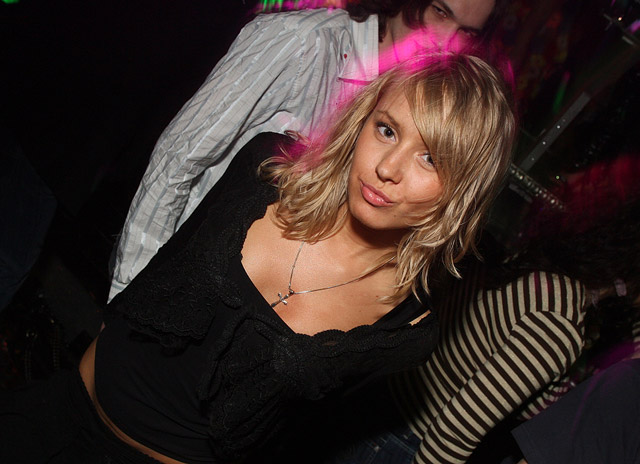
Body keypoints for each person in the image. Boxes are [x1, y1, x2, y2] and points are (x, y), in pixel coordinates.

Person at [0, 53, 515, 463]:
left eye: (431, 158)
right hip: (54, 411)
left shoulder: (405, 330)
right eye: (387, 129)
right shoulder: (265, 168)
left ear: (462, 190)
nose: (388, 168)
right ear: (364, 119)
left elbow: (294, 434)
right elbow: (156, 278)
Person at [109, 0, 502, 300]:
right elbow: (179, 158)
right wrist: (130, 288)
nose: (447, 40)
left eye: (467, 33)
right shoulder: (302, 43)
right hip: (177, 274)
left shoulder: (411, 104)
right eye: (440, 12)